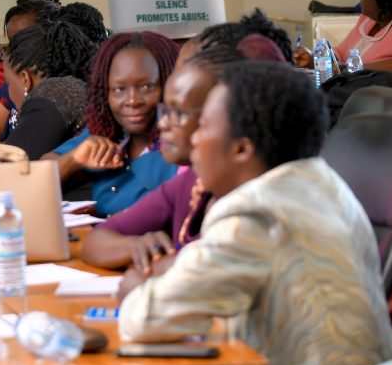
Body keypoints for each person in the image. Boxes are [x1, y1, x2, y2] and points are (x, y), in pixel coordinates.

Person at [118, 61, 392, 365]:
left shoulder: (254, 212)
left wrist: (135, 286)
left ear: (241, 150)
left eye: (203, 125)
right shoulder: (325, 184)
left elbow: (145, 319)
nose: (194, 139)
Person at [81, 38, 285, 271]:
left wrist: (150, 271)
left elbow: (185, 279)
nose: (164, 122)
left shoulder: (253, 205)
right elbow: (96, 240)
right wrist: (136, 247)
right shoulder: (192, 182)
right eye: (165, 110)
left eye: (179, 112)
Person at [47, 31, 180, 216]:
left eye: (146, 86)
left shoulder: (182, 145)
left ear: (169, 85)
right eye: (119, 89)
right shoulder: (111, 132)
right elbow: (43, 171)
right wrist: (74, 159)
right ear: (104, 93)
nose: (132, 100)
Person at [0, 0, 62, 137]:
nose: (14, 48)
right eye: (12, 41)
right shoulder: (13, 87)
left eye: (22, 38)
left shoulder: (59, 94)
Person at [2, 20, 96, 160]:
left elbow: (9, 168)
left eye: (8, 82)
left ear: (24, 79)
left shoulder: (52, 93)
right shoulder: (78, 88)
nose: (7, 90)